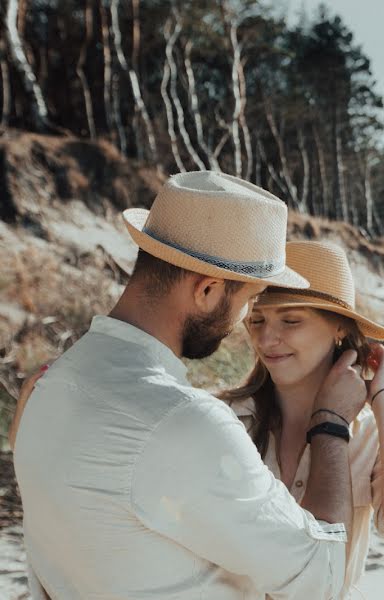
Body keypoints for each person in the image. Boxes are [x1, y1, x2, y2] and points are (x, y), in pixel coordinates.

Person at [13, 171, 360, 599]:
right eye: (248, 300)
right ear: (209, 289)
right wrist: (331, 423)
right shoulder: (184, 421)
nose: (242, 323)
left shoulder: (48, 388)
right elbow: (320, 577)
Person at [219, 240, 384, 598]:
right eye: (257, 320)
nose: (266, 337)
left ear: (340, 327)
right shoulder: (225, 419)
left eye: (291, 320)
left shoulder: (370, 434)